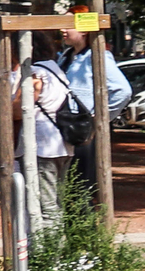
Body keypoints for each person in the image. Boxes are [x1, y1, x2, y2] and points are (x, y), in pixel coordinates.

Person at [6, 31, 73, 231]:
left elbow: (17, 110)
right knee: (54, 204)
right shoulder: (55, 69)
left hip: (42, 147)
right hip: (60, 145)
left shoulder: (35, 73)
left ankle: (48, 258)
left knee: (46, 207)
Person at [56, 24, 131, 197]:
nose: (62, 29)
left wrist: (99, 118)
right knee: (66, 188)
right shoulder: (67, 56)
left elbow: (123, 91)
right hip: (65, 128)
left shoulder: (97, 56)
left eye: (68, 25)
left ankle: (86, 224)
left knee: (82, 190)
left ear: (84, 29)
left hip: (83, 132)